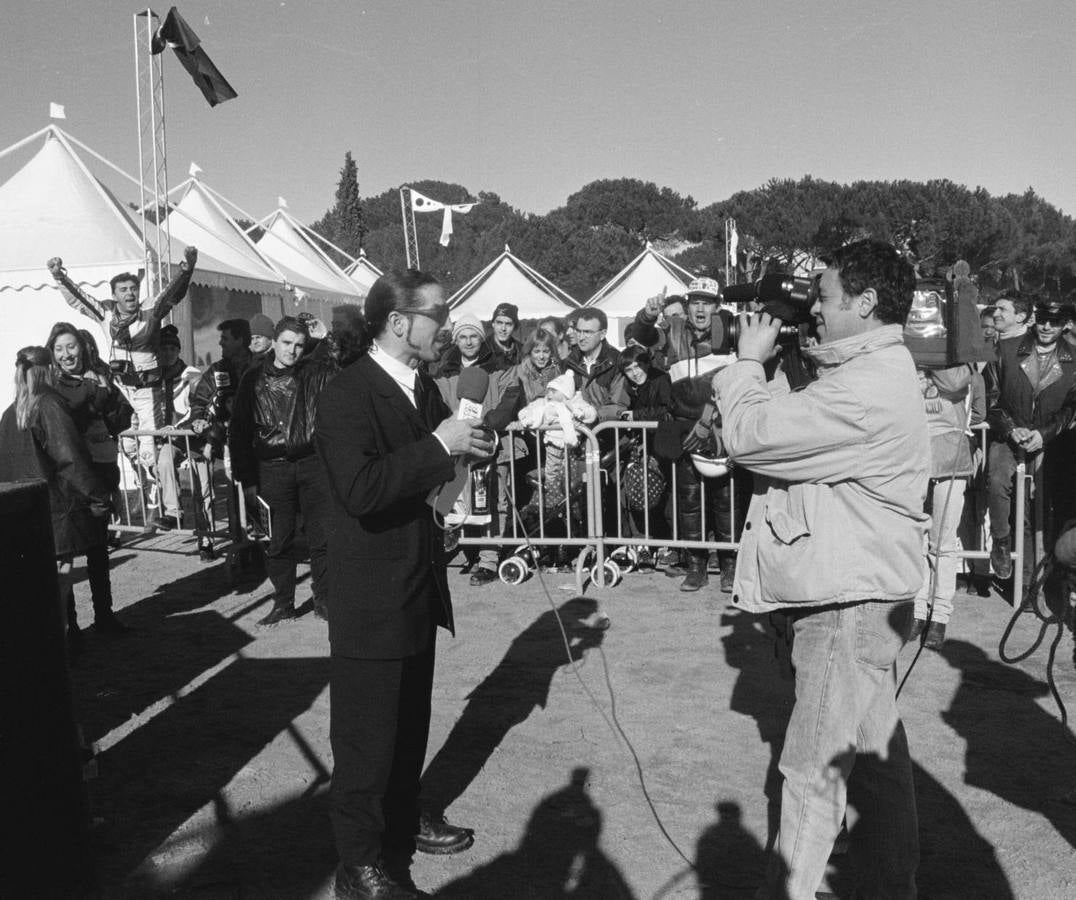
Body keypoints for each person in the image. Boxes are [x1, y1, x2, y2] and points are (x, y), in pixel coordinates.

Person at [714, 239, 929, 899]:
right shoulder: (868, 371)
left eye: (827, 299)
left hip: (845, 600)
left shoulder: (865, 388)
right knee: (875, 769)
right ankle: (894, 888)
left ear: (866, 303)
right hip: (860, 590)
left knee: (811, 772)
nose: (816, 313)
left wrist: (746, 364)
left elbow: (752, 438)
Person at [315, 269, 493, 899]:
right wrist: (439, 447)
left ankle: (404, 817)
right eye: (437, 314)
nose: (446, 325)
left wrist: (471, 445)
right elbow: (361, 489)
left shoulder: (421, 386)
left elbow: (440, 457)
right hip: (370, 590)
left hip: (418, 579)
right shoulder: (346, 392)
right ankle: (358, 866)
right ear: (398, 321)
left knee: (410, 719)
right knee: (366, 738)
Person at [47, 247, 198, 477]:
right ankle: (146, 479)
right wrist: (59, 276)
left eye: (134, 289)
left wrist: (186, 271)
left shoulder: (150, 309)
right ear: (114, 294)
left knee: (149, 445)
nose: (130, 294)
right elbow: (78, 299)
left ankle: (159, 492)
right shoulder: (105, 312)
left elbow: (171, 294)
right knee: (127, 444)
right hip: (120, 389)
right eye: (124, 290)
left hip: (147, 391)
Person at [0, 347, 113, 654]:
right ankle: (61, 649)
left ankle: (66, 640)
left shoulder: (10, 414)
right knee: (59, 587)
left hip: (26, 514)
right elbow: (71, 460)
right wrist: (99, 496)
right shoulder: (48, 405)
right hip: (56, 510)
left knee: (44, 588)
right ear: (47, 370)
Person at [229, 316, 335, 624]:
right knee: (276, 539)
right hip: (271, 468)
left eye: (300, 345)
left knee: (321, 537)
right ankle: (283, 602)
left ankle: (323, 599)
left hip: (312, 464)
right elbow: (239, 433)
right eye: (287, 343)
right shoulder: (252, 378)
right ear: (274, 341)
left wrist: (324, 338)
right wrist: (246, 480)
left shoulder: (316, 373)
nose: (292, 351)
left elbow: (345, 366)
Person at [637, 276, 739, 592]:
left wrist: (710, 418)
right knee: (689, 502)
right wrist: (647, 315)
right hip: (683, 427)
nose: (699, 308)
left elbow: (739, 380)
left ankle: (729, 568)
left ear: (717, 306)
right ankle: (695, 567)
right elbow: (641, 337)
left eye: (706, 302)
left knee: (725, 503)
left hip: (719, 425)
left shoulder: (733, 332)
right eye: (694, 301)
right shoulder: (674, 330)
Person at [45, 324, 131, 634]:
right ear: (52, 354)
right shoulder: (52, 386)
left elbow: (125, 413)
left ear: (82, 347)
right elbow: (64, 424)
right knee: (65, 553)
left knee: (97, 548)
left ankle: (104, 615)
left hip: (101, 472)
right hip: (70, 478)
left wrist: (105, 399)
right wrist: (94, 397)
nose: (67, 354)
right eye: (60, 349)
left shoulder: (100, 375)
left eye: (71, 346)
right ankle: (71, 624)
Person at [985, 299, 1076, 578]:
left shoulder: (1074, 359)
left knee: (1049, 507)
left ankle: (1049, 578)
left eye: (1055, 322)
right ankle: (1001, 542)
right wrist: (1012, 428)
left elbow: (1072, 407)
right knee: (997, 479)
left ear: (1066, 325)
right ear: (1035, 319)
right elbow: (992, 398)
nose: (1047, 327)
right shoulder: (1007, 349)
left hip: (1052, 441)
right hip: (1010, 435)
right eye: (1044, 320)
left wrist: (1044, 434)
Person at [910, 365, 976, 649]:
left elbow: (958, 381)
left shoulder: (957, 360)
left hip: (950, 457)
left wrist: (931, 361)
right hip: (912, 455)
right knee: (915, 540)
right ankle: (916, 609)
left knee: (943, 543)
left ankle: (939, 615)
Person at [488, 302, 522, 370]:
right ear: (493, 324)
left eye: (508, 324)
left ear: (515, 327)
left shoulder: (522, 350)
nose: (503, 328)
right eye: (499, 323)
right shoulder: (483, 350)